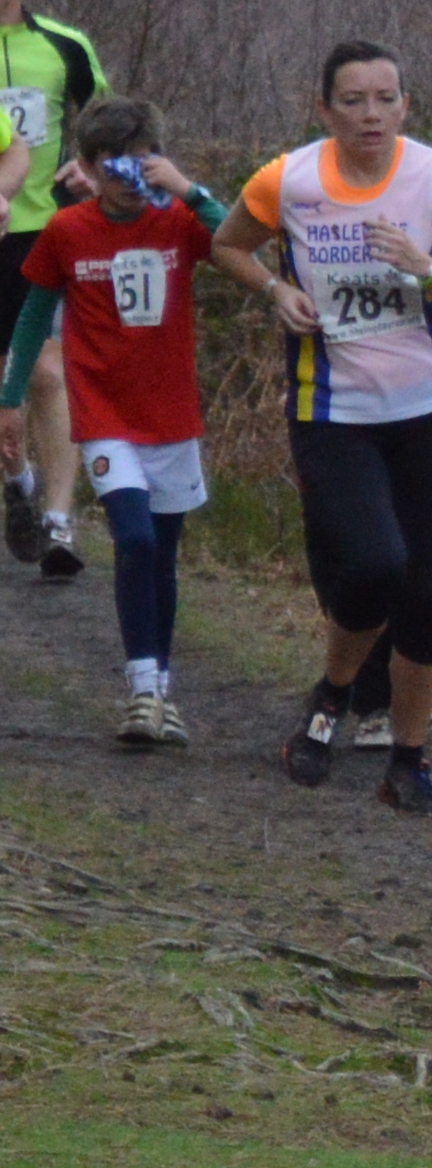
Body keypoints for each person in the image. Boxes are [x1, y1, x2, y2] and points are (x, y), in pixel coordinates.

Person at [231, 44, 432, 815]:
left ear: (406, 106)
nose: (371, 114)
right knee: (375, 563)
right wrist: (275, 288)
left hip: (430, 413)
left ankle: (409, 758)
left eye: (386, 98)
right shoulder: (287, 180)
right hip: (333, 413)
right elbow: (227, 246)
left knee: (427, 598)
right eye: (353, 100)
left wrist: (429, 269)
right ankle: (332, 694)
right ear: (324, 110)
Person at [3, 101, 248, 740]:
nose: (126, 178)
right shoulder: (69, 231)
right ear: (84, 169)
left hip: (170, 414)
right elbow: (34, 315)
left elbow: (236, 240)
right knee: (133, 539)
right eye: (111, 167)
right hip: (105, 413)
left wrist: (188, 189)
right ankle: (141, 685)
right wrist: (9, 397)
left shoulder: (178, 223)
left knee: (161, 554)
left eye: (139, 162)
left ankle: (159, 692)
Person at [0, 0, 105, 584]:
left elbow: (107, 116)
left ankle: (61, 519)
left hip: (46, 225)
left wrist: (89, 165)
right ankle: (21, 482)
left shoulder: (64, 45)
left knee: (44, 368)